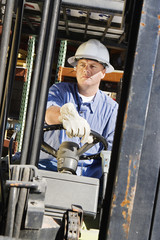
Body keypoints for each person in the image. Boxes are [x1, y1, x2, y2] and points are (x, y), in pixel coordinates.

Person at [39, 39, 118, 179]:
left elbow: (111, 152)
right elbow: (48, 113)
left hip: (85, 178)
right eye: (82, 64)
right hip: (47, 169)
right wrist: (63, 115)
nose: (86, 70)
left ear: (103, 72)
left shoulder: (111, 109)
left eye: (93, 66)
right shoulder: (59, 90)